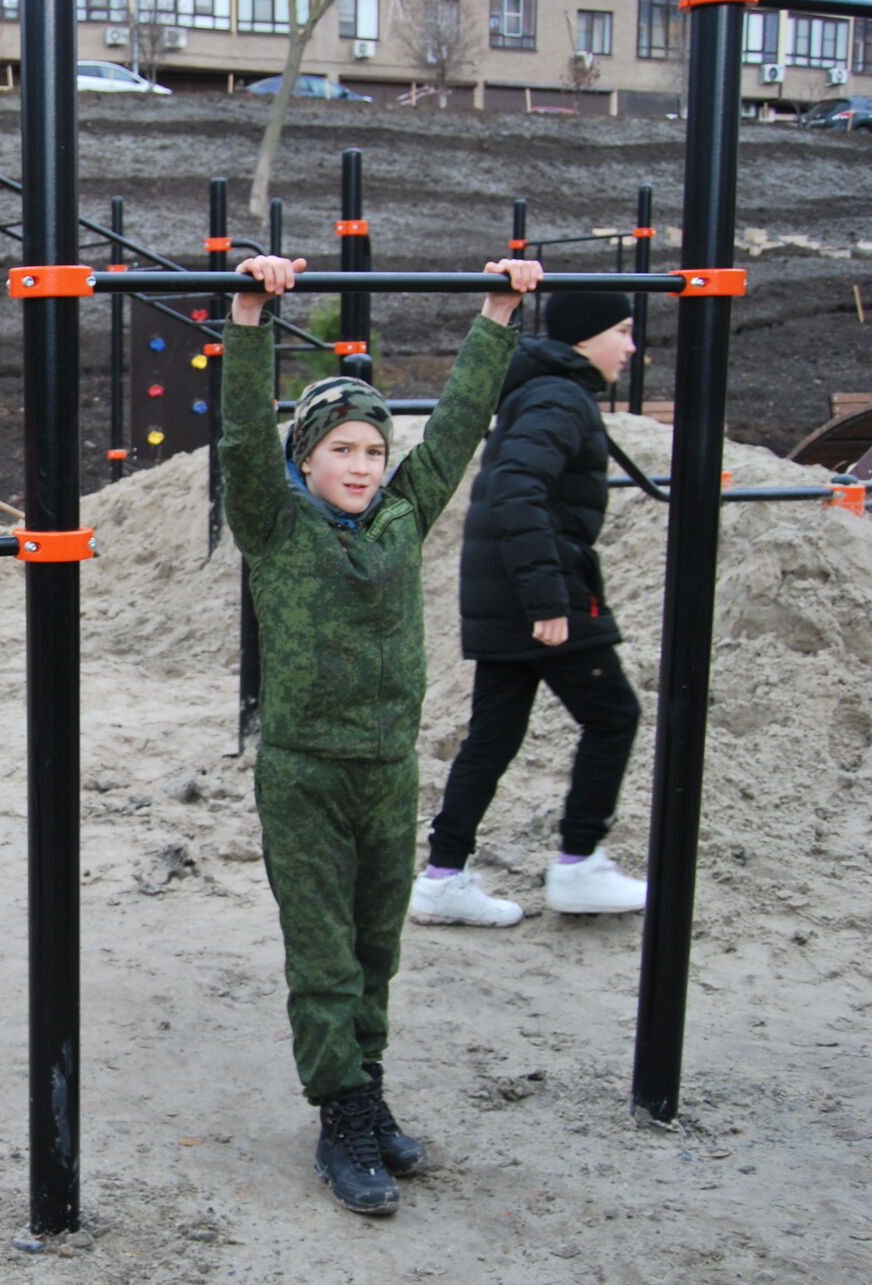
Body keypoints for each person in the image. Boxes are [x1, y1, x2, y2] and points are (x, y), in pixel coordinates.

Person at [219, 252, 541, 1216]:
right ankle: (340, 1117)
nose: (362, 466)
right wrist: (249, 317)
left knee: (375, 947)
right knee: (324, 954)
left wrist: (498, 314)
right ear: (306, 459)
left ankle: (367, 1087)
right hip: (306, 773)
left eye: (372, 449)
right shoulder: (276, 525)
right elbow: (243, 438)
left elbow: (458, 427)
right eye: (342, 450)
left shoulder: (404, 512)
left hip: (388, 769)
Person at [410, 293, 649, 927]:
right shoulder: (558, 397)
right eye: (623, 331)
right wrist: (548, 600)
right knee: (614, 715)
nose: (631, 347)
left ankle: (443, 877)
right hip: (543, 592)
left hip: (505, 592)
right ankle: (579, 864)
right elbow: (517, 489)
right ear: (585, 337)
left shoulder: (542, 391)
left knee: (492, 738)